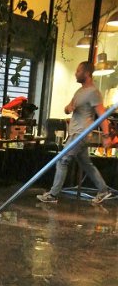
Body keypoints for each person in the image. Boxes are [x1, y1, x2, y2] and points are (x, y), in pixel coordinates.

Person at [37, 61, 112, 204]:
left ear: (87, 73)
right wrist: (68, 108)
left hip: (81, 134)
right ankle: (103, 190)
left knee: (62, 160)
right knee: (86, 164)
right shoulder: (79, 91)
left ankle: (53, 195)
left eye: (78, 71)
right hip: (75, 133)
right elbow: (68, 108)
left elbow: (102, 115)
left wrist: (106, 135)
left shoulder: (93, 92)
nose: (75, 74)